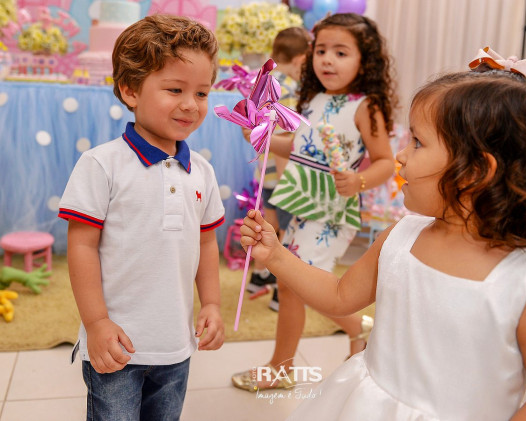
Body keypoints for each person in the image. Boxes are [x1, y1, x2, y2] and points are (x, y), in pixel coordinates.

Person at [239, 60, 526, 419]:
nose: (401, 156)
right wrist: (276, 255)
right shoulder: (401, 236)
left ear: (475, 171)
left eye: (417, 142)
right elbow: (339, 295)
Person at [58, 15, 225, 420]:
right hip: (115, 344)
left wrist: (212, 303)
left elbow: (206, 242)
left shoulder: (202, 171)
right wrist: (96, 322)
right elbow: (81, 246)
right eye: (175, 89)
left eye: (202, 93)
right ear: (130, 90)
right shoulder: (101, 163)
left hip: (175, 346)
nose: (191, 104)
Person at [232, 13, 397, 391]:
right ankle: (353, 330)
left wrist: (358, 181)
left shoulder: (366, 106)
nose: (327, 60)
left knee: (296, 284)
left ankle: (284, 365)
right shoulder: (314, 99)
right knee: (290, 283)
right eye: (321, 51)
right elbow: (297, 146)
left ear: (365, 61)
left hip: (331, 210)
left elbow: (386, 162)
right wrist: (260, 137)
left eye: (341, 52)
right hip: (302, 203)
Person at [243, 27, 311, 313]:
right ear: (300, 59)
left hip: (265, 171)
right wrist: (288, 184)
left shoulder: (263, 83)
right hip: (283, 176)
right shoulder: (289, 90)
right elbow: (286, 134)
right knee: (286, 233)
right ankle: (282, 293)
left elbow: (253, 129)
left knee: (267, 226)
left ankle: (259, 276)